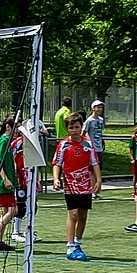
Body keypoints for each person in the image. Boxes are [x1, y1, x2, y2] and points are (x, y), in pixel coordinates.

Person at [51, 112, 101, 261]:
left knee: (83, 215)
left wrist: (98, 179)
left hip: (85, 184)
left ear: (81, 128)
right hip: (70, 183)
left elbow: (94, 163)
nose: (74, 130)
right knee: (72, 214)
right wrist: (55, 178)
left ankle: (78, 242)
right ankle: (70, 246)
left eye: (76, 127)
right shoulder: (63, 144)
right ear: (67, 129)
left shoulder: (88, 144)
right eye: (71, 127)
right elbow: (57, 163)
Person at [0, 118, 28, 253]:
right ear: (8, 127)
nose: (18, 131)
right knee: (13, 211)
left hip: (9, 183)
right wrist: (5, 179)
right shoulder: (3, 141)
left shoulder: (8, 142)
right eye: (16, 127)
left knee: (6, 212)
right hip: (3, 184)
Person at [83, 101, 107, 197]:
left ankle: (96, 189)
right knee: (92, 170)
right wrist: (86, 145)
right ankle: (92, 190)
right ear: (93, 108)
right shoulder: (89, 121)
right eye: (98, 107)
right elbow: (83, 133)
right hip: (92, 149)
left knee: (98, 169)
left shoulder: (101, 120)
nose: (100, 109)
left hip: (99, 148)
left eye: (101, 107)